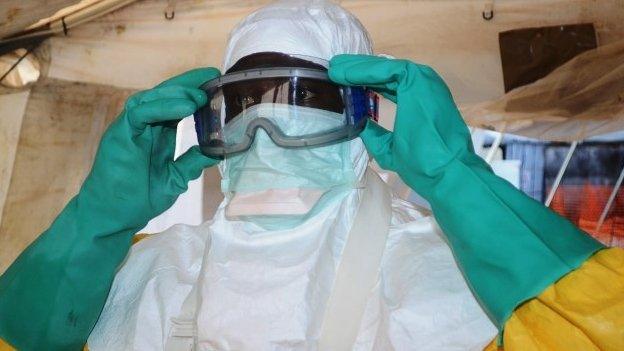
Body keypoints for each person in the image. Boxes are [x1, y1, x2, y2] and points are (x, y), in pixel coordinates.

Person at [0, 1, 622, 350]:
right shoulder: (146, 267)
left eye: (299, 105)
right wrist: (99, 220)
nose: (266, 135)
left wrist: (459, 183)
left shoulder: (449, 274)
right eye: (244, 110)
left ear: (362, 115)